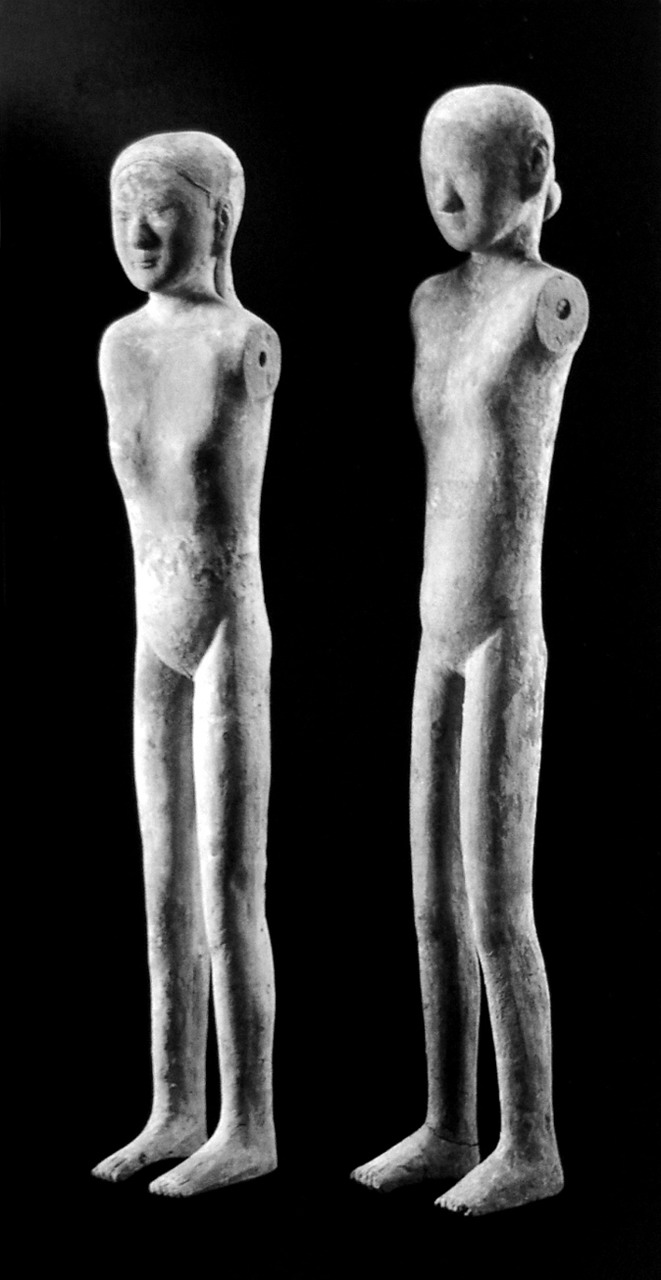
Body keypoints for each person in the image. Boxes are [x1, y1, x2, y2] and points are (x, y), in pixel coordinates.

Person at [352, 85, 588, 1215]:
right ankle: (449, 1123)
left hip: (501, 632)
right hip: (432, 633)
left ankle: (529, 1140)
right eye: (428, 164)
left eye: (466, 163)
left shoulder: (551, 298)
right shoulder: (431, 301)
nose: (441, 189)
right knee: (430, 899)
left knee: (497, 901)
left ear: (531, 164)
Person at [91, 131, 280, 1198]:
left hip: (223, 633)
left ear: (219, 218)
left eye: (161, 206)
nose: (138, 228)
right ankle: (175, 1106)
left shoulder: (246, 342)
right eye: (123, 207)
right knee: (161, 879)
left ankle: (249, 1120)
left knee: (227, 878)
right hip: (149, 632)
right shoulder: (119, 346)